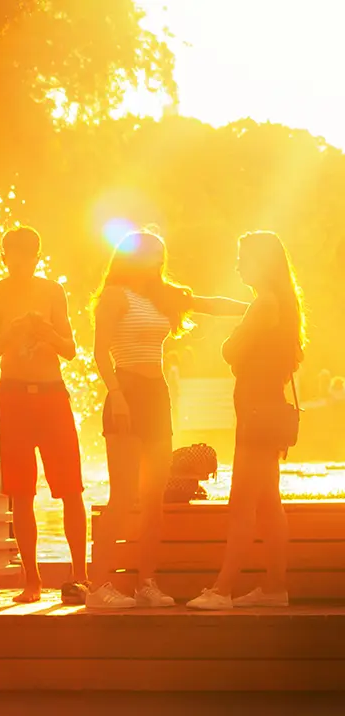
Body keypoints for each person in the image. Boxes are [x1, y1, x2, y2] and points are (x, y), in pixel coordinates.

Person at [92, 230, 247, 609]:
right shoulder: (114, 295)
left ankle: (147, 582)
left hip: (156, 395)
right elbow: (99, 353)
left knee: (153, 497)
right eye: (152, 256)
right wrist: (117, 395)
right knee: (123, 496)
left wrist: (254, 308)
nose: (158, 264)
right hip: (125, 390)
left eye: (161, 257)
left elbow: (209, 304)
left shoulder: (164, 296)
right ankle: (98, 587)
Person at [187, 231, 305, 610]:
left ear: (261, 262)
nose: (237, 265)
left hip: (257, 413)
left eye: (243, 258)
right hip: (268, 409)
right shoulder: (279, 302)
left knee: (241, 504)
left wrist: (234, 348)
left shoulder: (264, 304)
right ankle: (274, 588)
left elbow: (230, 350)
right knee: (269, 501)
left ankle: (222, 590)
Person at [0, 226, 88, 605]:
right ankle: (32, 580)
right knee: (20, 490)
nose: (20, 262)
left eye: (27, 255)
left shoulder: (51, 291)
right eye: (13, 255)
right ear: (5, 256)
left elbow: (71, 348)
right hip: (13, 396)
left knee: (71, 487)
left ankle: (80, 576)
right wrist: (10, 334)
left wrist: (47, 334)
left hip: (51, 393)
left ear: (37, 257)